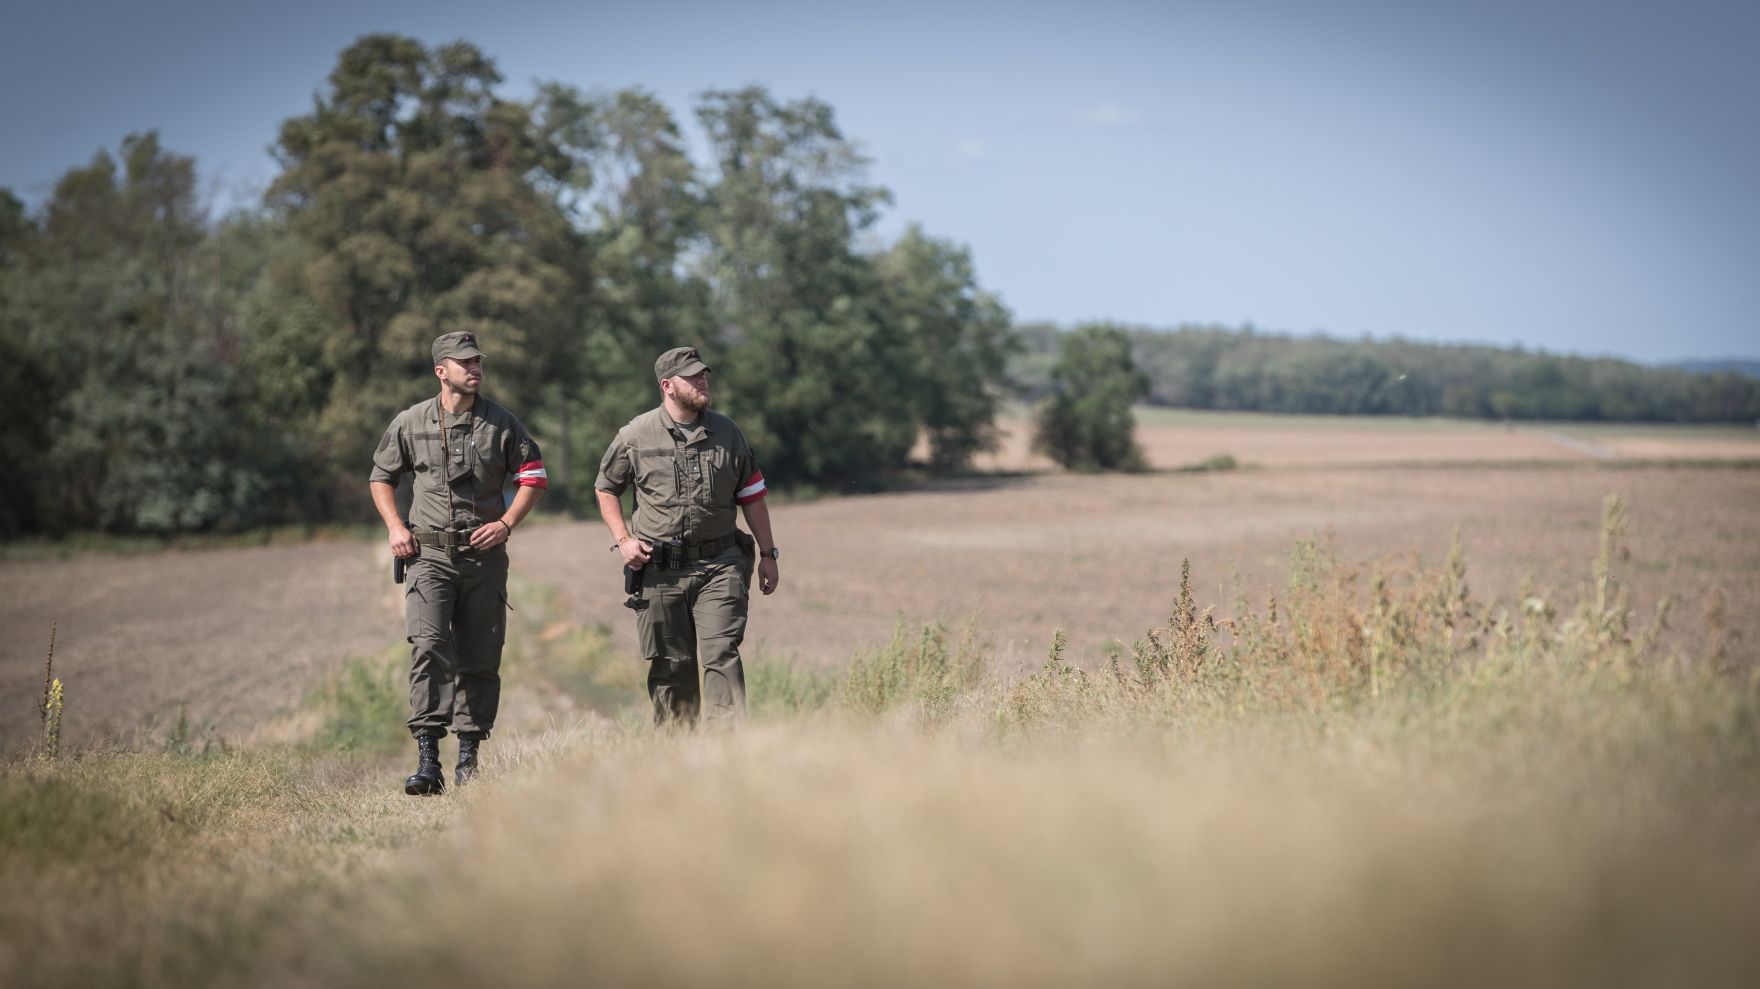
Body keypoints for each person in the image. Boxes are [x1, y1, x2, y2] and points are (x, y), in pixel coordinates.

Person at [369, 331, 547, 794]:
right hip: (428, 556)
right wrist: (395, 527)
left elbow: (533, 476)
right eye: (464, 362)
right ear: (440, 371)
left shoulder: (502, 423)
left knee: (481, 656)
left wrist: (506, 523)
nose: (475, 368)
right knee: (428, 647)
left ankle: (469, 757)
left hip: (484, 559)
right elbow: (381, 476)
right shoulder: (410, 422)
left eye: (477, 361)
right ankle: (429, 761)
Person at [594, 347, 780, 725]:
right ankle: (677, 750)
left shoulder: (728, 432)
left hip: (720, 564)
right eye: (692, 377)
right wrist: (624, 540)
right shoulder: (635, 435)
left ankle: (727, 748)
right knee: (672, 666)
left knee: (722, 654)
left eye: (703, 375)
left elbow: (752, 495)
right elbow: (605, 487)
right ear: (667, 386)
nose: (702, 382)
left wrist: (768, 554)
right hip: (660, 570)